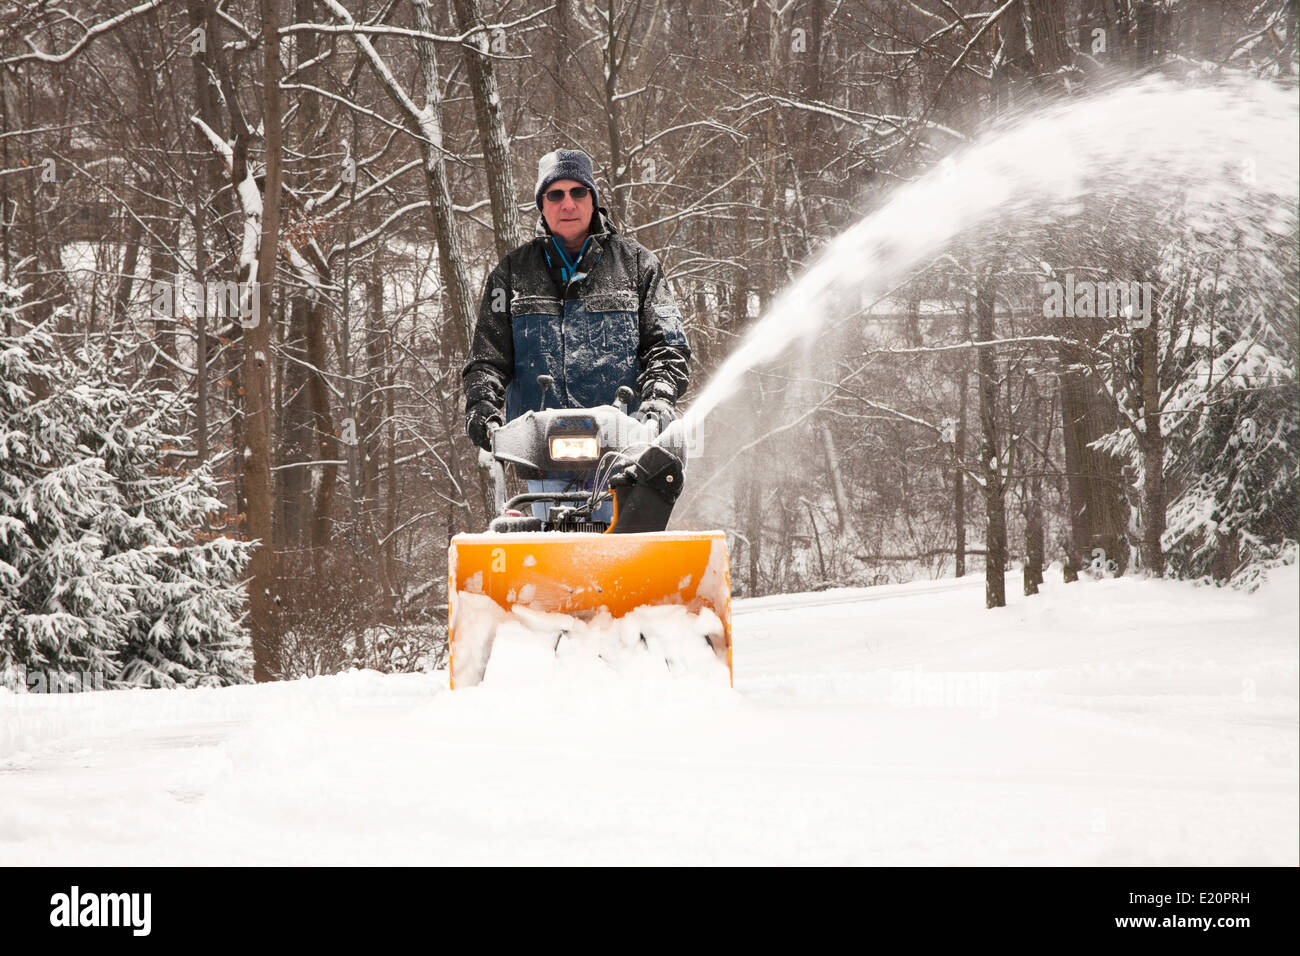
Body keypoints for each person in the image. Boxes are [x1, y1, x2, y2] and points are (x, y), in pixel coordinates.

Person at [462, 148, 690, 521]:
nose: (567, 203)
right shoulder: (510, 276)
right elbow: (487, 359)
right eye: (556, 194)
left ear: (594, 199)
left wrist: (659, 399)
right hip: (540, 460)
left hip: (623, 457)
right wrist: (483, 408)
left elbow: (669, 347)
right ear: (542, 204)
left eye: (578, 192)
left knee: (622, 560)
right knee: (548, 563)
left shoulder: (639, 267)